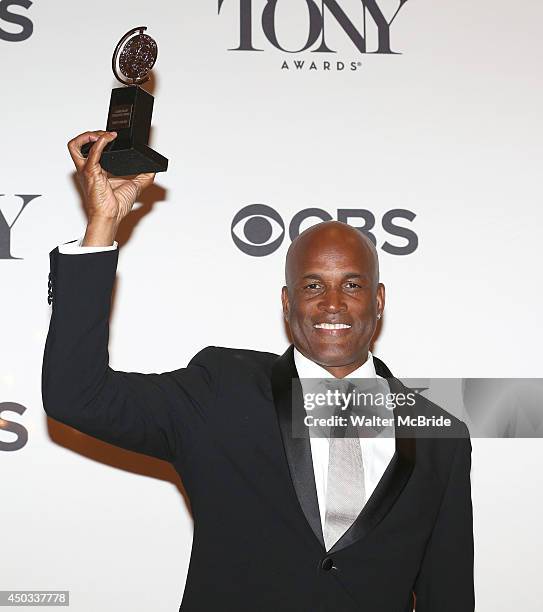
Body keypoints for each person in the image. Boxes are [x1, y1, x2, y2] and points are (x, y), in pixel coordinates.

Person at [42, 130, 475, 611]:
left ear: (378, 300)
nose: (332, 304)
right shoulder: (220, 389)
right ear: (288, 303)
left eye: (351, 285)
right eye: (313, 286)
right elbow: (75, 395)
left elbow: (448, 593)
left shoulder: (441, 436)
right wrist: (102, 226)